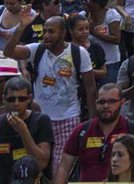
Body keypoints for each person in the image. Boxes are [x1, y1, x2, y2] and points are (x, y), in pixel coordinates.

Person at [4, 13, 97, 174]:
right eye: (45, 31)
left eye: (51, 32)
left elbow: (90, 88)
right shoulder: (37, 50)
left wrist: (92, 121)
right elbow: (9, 52)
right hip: (40, 119)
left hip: (68, 118)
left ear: (62, 33)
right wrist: (21, 27)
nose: (46, 35)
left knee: (59, 169)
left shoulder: (78, 52)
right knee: (37, 167)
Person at [53, 84, 134, 184]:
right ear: (95, 103)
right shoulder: (81, 131)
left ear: (122, 102)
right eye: (101, 102)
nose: (106, 106)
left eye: (112, 101)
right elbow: (64, 167)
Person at [0, 77, 53, 184]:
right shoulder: (1, 123)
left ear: (29, 98)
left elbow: (41, 162)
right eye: (11, 99)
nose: (16, 103)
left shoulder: (41, 120)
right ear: (4, 99)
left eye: (21, 99)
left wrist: (23, 131)